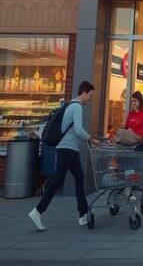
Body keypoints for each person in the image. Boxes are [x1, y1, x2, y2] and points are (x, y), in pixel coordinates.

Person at [29, 81, 99, 231]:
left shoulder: (70, 106)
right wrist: (91, 139)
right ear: (84, 92)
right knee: (58, 181)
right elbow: (79, 130)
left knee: (78, 179)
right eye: (90, 96)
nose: (90, 99)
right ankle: (38, 211)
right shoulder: (77, 107)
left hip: (70, 150)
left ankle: (83, 215)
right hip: (67, 149)